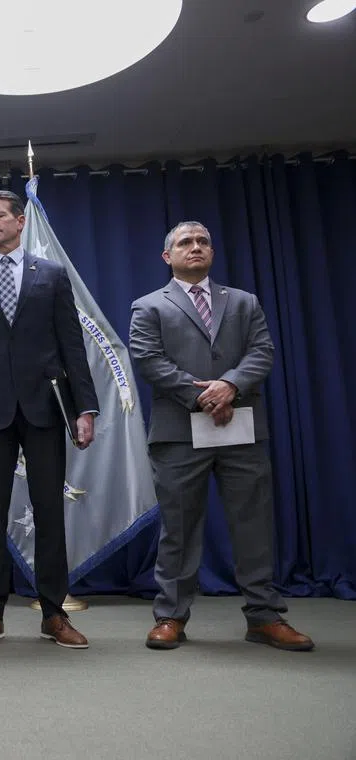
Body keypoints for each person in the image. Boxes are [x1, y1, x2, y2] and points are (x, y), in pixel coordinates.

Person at [129, 221, 313, 651]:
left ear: (212, 252)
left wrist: (230, 385)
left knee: (254, 525)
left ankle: (264, 618)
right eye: (185, 242)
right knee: (179, 528)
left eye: (203, 241)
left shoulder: (244, 301)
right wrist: (203, 397)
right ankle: (171, 617)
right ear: (167, 256)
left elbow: (262, 351)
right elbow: (148, 359)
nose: (195, 247)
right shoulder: (148, 306)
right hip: (179, 433)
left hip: (241, 428)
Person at [0, 190, 99, 649]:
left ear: (20, 220)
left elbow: (72, 346)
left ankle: (54, 613)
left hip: (45, 408)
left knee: (50, 511)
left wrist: (85, 408)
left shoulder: (51, 275)